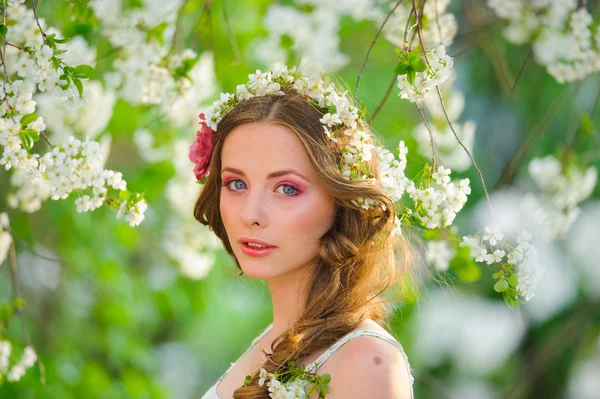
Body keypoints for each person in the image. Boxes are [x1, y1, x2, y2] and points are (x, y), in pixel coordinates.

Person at [192, 65, 415, 399]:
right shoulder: (271, 340)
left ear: (340, 199)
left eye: (286, 189)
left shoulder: (367, 363)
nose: (251, 214)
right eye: (236, 183)